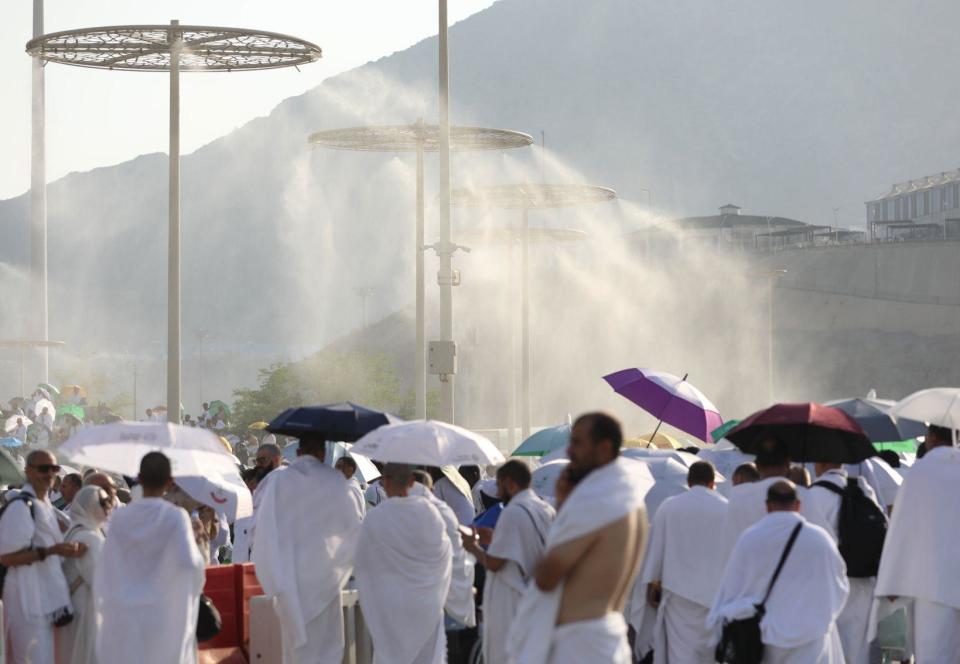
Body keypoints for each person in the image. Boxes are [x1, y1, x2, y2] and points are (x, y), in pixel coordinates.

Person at [509, 412, 648, 664]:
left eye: (577, 442)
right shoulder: (631, 499)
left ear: (604, 448)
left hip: (579, 645)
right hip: (607, 638)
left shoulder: (597, 498)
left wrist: (563, 510)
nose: (569, 451)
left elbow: (547, 576)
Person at [251, 434, 363, 664]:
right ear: (323, 453)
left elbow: (259, 530)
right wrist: (337, 568)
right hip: (324, 579)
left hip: (287, 579)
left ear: (299, 452)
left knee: (290, 650)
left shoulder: (276, 482)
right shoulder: (336, 482)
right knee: (325, 649)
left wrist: (273, 577)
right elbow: (353, 531)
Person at [708, 481, 848, 663]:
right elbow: (840, 586)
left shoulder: (750, 539)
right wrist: (821, 615)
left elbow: (731, 589)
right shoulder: (820, 539)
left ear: (768, 506)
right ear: (798, 505)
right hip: (811, 638)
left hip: (766, 637)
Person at [94, 452, 206, 664]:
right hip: (162, 612)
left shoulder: (119, 517)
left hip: (123, 610)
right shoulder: (176, 516)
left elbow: (106, 566)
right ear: (170, 481)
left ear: (139, 478)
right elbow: (189, 564)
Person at [874, 424, 960, 663]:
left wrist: (893, 578)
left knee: (934, 652)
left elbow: (902, 526)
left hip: (931, 583)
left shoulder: (921, 471)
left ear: (932, 437)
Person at [354, 463, 452, 663]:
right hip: (427, 605)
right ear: (411, 482)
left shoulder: (376, 518)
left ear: (385, 482)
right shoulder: (431, 513)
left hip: (390, 606)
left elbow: (362, 563)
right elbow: (444, 557)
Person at [462, 460, 555, 664]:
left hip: (515, 604)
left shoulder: (512, 511)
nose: (497, 492)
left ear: (511, 484)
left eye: (500, 485)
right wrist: (494, 539)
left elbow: (496, 563)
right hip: (538, 600)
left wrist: (473, 547)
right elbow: (526, 546)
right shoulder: (544, 508)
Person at [0, 450, 85, 663]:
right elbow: (7, 557)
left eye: (54, 469)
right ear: (28, 471)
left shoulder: (46, 506)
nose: (49, 474)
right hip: (25, 600)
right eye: (43, 469)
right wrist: (52, 551)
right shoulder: (21, 506)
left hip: (46, 600)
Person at [640, 461, 728, 663]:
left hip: (676, 596)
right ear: (713, 483)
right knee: (710, 655)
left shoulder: (669, 506)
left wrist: (653, 582)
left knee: (679, 654)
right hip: (714, 597)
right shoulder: (726, 509)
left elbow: (655, 549)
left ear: (688, 482)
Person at [809, 460, 883, 664]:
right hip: (863, 578)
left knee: (830, 647)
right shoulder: (863, 489)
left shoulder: (813, 495)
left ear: (820, 463)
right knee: (860, 647)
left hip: (827, 582)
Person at [719, 437, 832, 565]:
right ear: (788, 464)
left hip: (751, 580)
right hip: (792, 579)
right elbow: (827, 544)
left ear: (757, 465)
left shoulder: (739, 497)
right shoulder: (802, 495)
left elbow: (728, 549)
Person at [58, 485, 112, 664]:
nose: (109, 505)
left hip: (76, 609)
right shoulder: (90, 538)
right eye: (103, 502)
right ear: (90, 506)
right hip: (87, 613)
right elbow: (102, 582)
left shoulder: (74, 531)